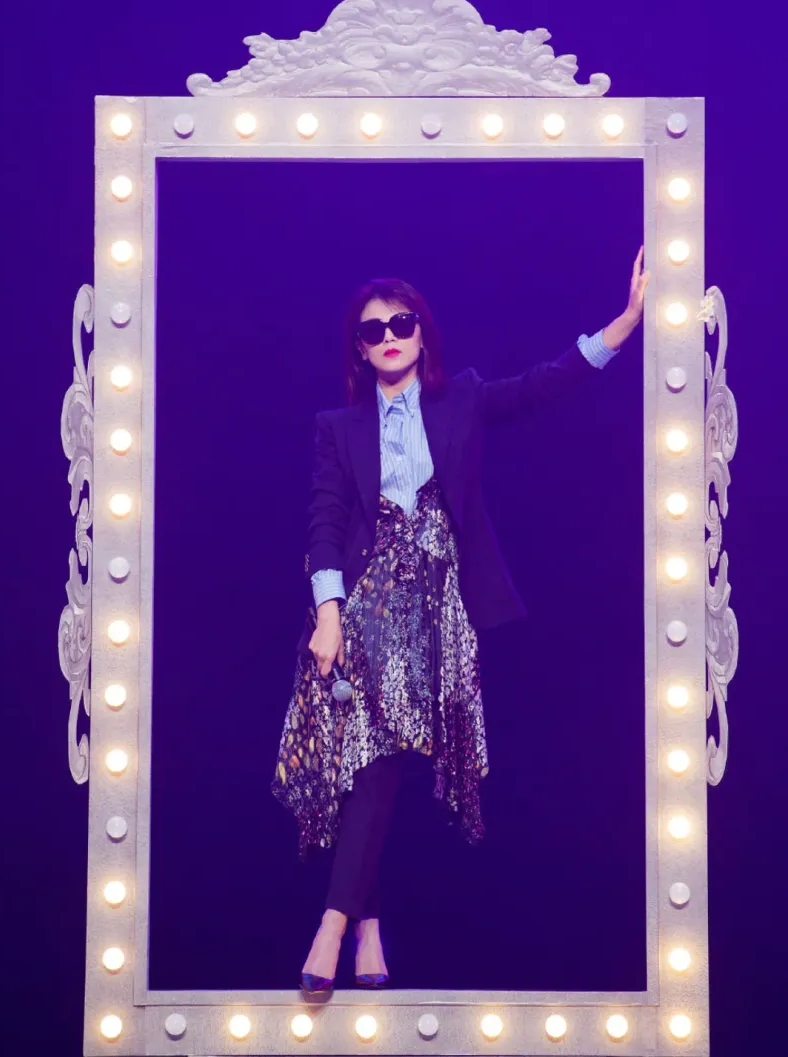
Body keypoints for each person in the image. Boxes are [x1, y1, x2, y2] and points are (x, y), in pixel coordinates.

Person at [272, 249, 650, 994]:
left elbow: (543, 384)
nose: (389, 336)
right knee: (364, 757)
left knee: (378, 755)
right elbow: (325, 521)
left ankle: (347, 925)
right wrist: (328, 615)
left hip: (435, 610)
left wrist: (626, 323)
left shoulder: (463, 399)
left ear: (422, 333)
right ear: (359, 348)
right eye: (373, 330)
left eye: (401, 323)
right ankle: (349, 926)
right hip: (362, 604)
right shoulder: (337, 427)